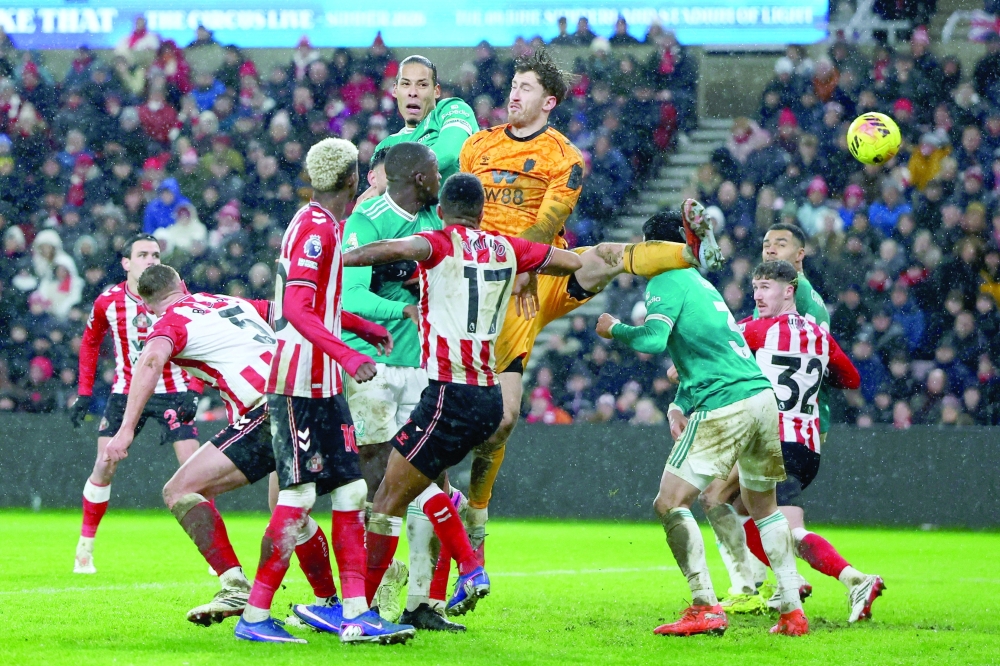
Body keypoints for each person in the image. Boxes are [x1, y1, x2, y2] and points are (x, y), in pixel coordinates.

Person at [458, 48, 723, 562]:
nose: (514, 93)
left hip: (537, 275)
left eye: (527, 87)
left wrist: (527, 264)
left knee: (599, 257)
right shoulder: (477, 147)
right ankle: (477, 515)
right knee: (504, 419)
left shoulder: (564, 158)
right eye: (514, 84)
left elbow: (544, 221)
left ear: (549, 101)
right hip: (486, 284)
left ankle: (689, 250)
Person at [341, 172, 583, 621]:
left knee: (388, 500)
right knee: (430, 485)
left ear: (446, 208)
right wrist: (537, 270)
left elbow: (395, 249)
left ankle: (358, 609)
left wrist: (344, 257)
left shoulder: (439, 242)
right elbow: (568, 263)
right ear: (482, 211)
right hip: (488, 395)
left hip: (449, 393)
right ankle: (464, 570)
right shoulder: (508, 248)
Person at [102, 263, 390, 628]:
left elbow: (152, 358)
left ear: (147, 306)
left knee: (180, 490)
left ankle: (235, 586)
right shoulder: (225, 301)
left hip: (271, 405)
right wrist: (362, 327)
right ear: (184, 285)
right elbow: (295, 314)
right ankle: (331, 602)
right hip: (312, 394)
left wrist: (126, 429)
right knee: (290, 506)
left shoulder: (168, 322)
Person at [594, 211, 809, 637]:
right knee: (765, 509)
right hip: (761, 398)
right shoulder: (701, 284)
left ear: (649, 248)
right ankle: (791, 610)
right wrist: (678, 403)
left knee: (669, 502)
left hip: (725, 404)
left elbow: (654, 340)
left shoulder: (664, 282)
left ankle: (704, 605)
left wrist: (615, 329)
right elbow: (705, 354)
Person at [236, 138, 411, 645]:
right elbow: (294, 309)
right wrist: (349, 353)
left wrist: (358, 323)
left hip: (323, 383)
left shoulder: (320, 223)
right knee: (296, 496)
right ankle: (254, 616)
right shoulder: (316, 230)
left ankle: (354, 612)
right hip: (299, 383)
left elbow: (315, 301)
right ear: (354, 180)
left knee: (353, 491)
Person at [728, 260, 884, 623]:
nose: (757, 295)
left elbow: (721, 350)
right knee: (739, 510)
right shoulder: (818, 334)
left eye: (765, 287)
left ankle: (852, 578)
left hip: (773, 442)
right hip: (807, 446)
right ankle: (790, 581)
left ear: (789, 290)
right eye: (755, 288)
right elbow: (851, 378)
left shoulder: (756, 330)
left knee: (747, 513)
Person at [341, 142, 455, 629]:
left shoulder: (436, 221)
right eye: (433, 170)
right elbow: (351, 295)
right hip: (373, 365)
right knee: (379, 478)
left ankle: (420, 601)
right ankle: (368, 595)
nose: (439, 175)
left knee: (428, 477)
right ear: (414, 176)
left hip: (423, 366)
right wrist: (402, 307)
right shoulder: (367, 221)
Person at [69, 234, 201, 575]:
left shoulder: (178, 295)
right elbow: (90, 342)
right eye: (142, 254)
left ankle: (213, 556)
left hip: (173, 390)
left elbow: (202, 334)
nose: (151, 260)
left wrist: (196, 386)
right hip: (126, 392)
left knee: (196, 473)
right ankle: (85, 549)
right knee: (104, 464)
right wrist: (85, 392)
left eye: (156, 254)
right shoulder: (108, 301)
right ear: (126, 263)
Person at [360, 55, 476, 202]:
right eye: (406, 84)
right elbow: (378, 191)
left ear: (436, 91)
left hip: (452, 220)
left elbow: (449, 152)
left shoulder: (451, 109)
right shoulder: (385, 146)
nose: (413, 92)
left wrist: (398, 180)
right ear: (395, 90)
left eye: (422, 85)